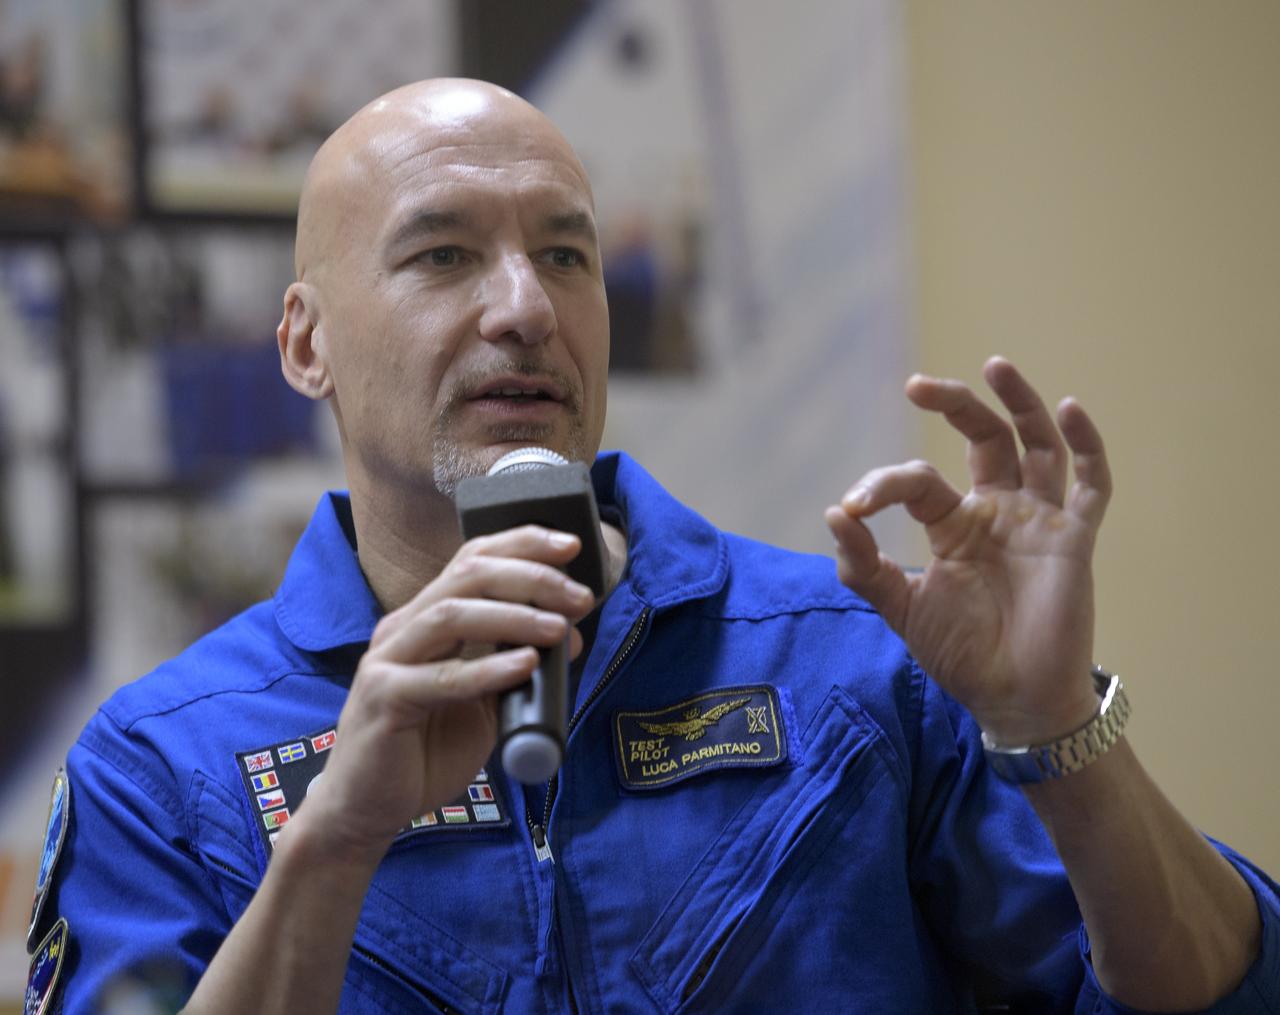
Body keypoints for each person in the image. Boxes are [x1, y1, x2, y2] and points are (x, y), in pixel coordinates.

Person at [31, 79, 1278, 1014]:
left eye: (564, 254)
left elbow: (1225, 992)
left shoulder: (858, 657)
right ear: (304, 344)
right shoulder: (164, 761)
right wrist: (331, 845)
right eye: (443, 253)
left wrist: (1056, 731)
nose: (523, 308)